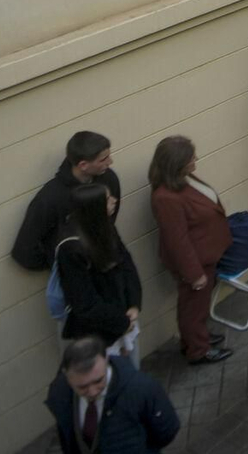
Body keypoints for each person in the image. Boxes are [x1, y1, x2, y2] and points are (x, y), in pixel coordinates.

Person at [147, 137, 233, 366]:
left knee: (198, 305)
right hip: (195, 262)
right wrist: (194, 274)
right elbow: (177, 240)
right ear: (176, 164)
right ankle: (198, 350)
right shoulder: (165, 198)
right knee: (192, 308)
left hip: (207, 256)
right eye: (190, 158)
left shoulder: (183, 180)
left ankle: (196, 337)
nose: (195, 159)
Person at [46, 337, 179, 454]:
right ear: (66, 375)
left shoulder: (142, 389)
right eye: (82, 387)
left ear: (107, 360)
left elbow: (166, 431)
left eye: (98, 381)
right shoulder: (60, 392)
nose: (92, 392)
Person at [14, 132, 123, 271]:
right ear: (83, 165)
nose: (110, 162)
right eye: (103, 159)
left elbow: (109, 221)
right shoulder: (50, 198)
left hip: (105, 265)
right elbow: (24, 250)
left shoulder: (109, 179)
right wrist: (62, 264)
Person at [56, 183, 142, 355]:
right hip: (99, 333)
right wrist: (122, 323)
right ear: (94, 208)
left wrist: (134, 304)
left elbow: (126, 264)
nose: (114, 201)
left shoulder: (105, 227)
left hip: (124, 316)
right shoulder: (71, 249)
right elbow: (85, 303)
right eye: (108, 199)